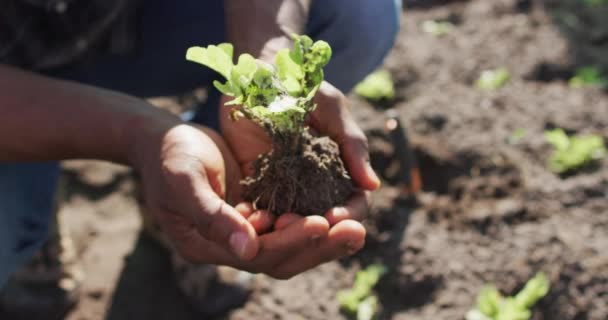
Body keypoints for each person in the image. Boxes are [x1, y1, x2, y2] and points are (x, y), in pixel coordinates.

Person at [0, 0, 400, 317]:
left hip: (124, 19)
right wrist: (142, 137)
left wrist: (266, 56)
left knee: (357, 12)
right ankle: (32, 227)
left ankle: (199, 186)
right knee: (9, 229)